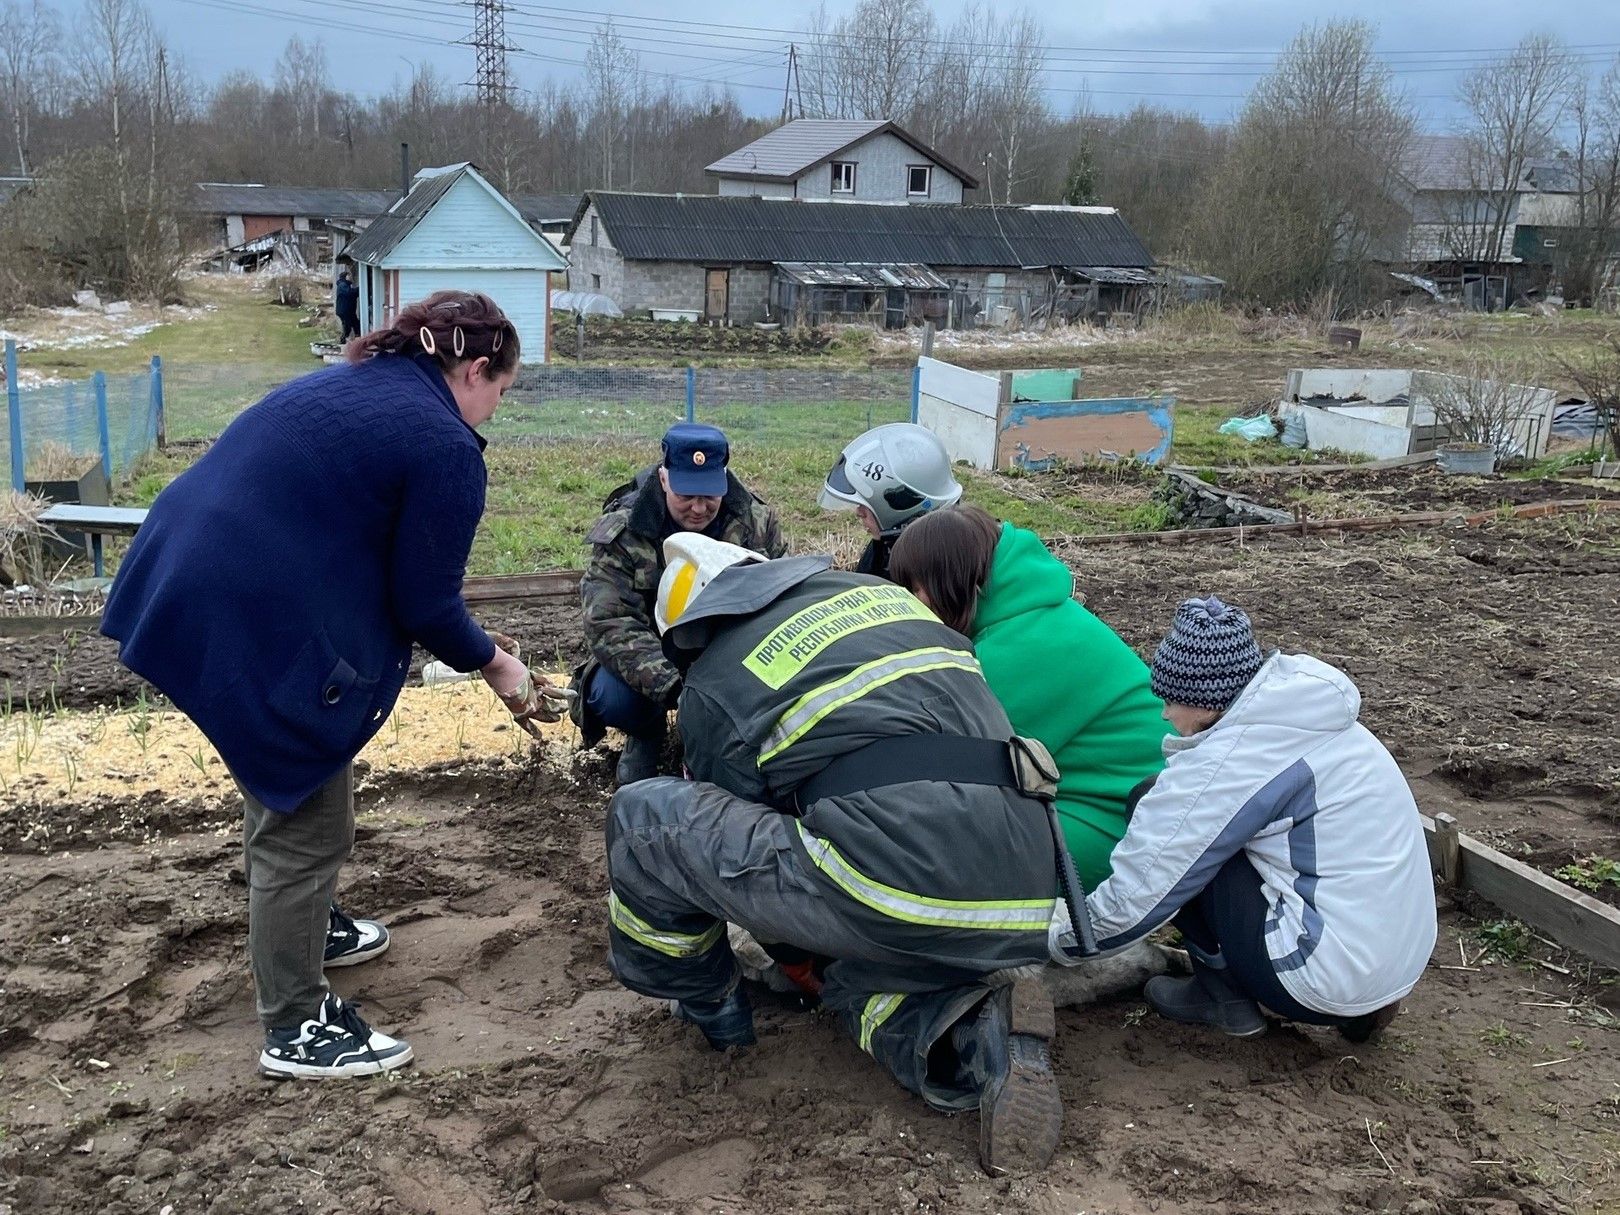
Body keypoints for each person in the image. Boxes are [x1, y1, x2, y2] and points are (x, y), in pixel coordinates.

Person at [102, 291, 568, 1080]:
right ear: (477, 368)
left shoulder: (352, 381)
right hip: (239, 605)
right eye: (499, 392)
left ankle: (304, 923)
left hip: (178, 571)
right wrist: (500, 665)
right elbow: (425, 603)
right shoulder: (443, 443)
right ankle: (296, 1022)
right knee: (310, 818)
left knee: (288, 763)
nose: (492, 411)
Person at [604, 533, 1071, 1176]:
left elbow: (734, 841)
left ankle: (712, 1006)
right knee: (854, 972)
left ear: (691, 630)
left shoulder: (715, 679)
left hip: (903, 880)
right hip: (1031, 881)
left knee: (644, 818)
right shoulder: (882, 599)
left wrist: (791, 951)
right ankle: (973, 1033)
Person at [1081, 597, 1437, 1041]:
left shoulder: (1229, 764)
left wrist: (1061, 938)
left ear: (1207, 700)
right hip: (1398, 961)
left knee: (1162, 815)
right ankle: (1365, 1007)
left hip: (1316, 980)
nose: (1165, 714)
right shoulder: (1319, 719)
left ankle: (1222, 999)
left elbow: (1141, 891)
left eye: (1172, 699)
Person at [888, 505, 1169, 890]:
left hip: (1125, 832)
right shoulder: (1033, 615)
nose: (910, 602)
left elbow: (956, 764)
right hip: (1130, 806)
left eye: (914, 587)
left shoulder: (1016, 650)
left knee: (947, 860)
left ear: (946, 579)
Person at [576, 422, 785, 785]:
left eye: (709, 496)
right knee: (612, 698)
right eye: (687, 495)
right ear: (663, 479)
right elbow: (609, 621)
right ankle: (647, 734)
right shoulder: (625, 530)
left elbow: (782, 593)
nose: (699, 508)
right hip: (655, 654)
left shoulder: (755, 521)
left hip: (730, 650)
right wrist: (674, 688)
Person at [819, 423, 961, 580]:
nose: (858, 512)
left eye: (865, 505)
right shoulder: (887, 545)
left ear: (901, 505)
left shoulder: (933, 568)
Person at [334, 271, 360, 342]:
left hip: (348, 310)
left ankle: (358, 338)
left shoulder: (344, 285)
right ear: (346, 277)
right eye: (350, 276)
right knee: (347, 325)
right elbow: (349, 293)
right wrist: (359, 289)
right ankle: (343, 339)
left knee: (355, 324)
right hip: (344, 310)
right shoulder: (342, 285)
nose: (352, 277)